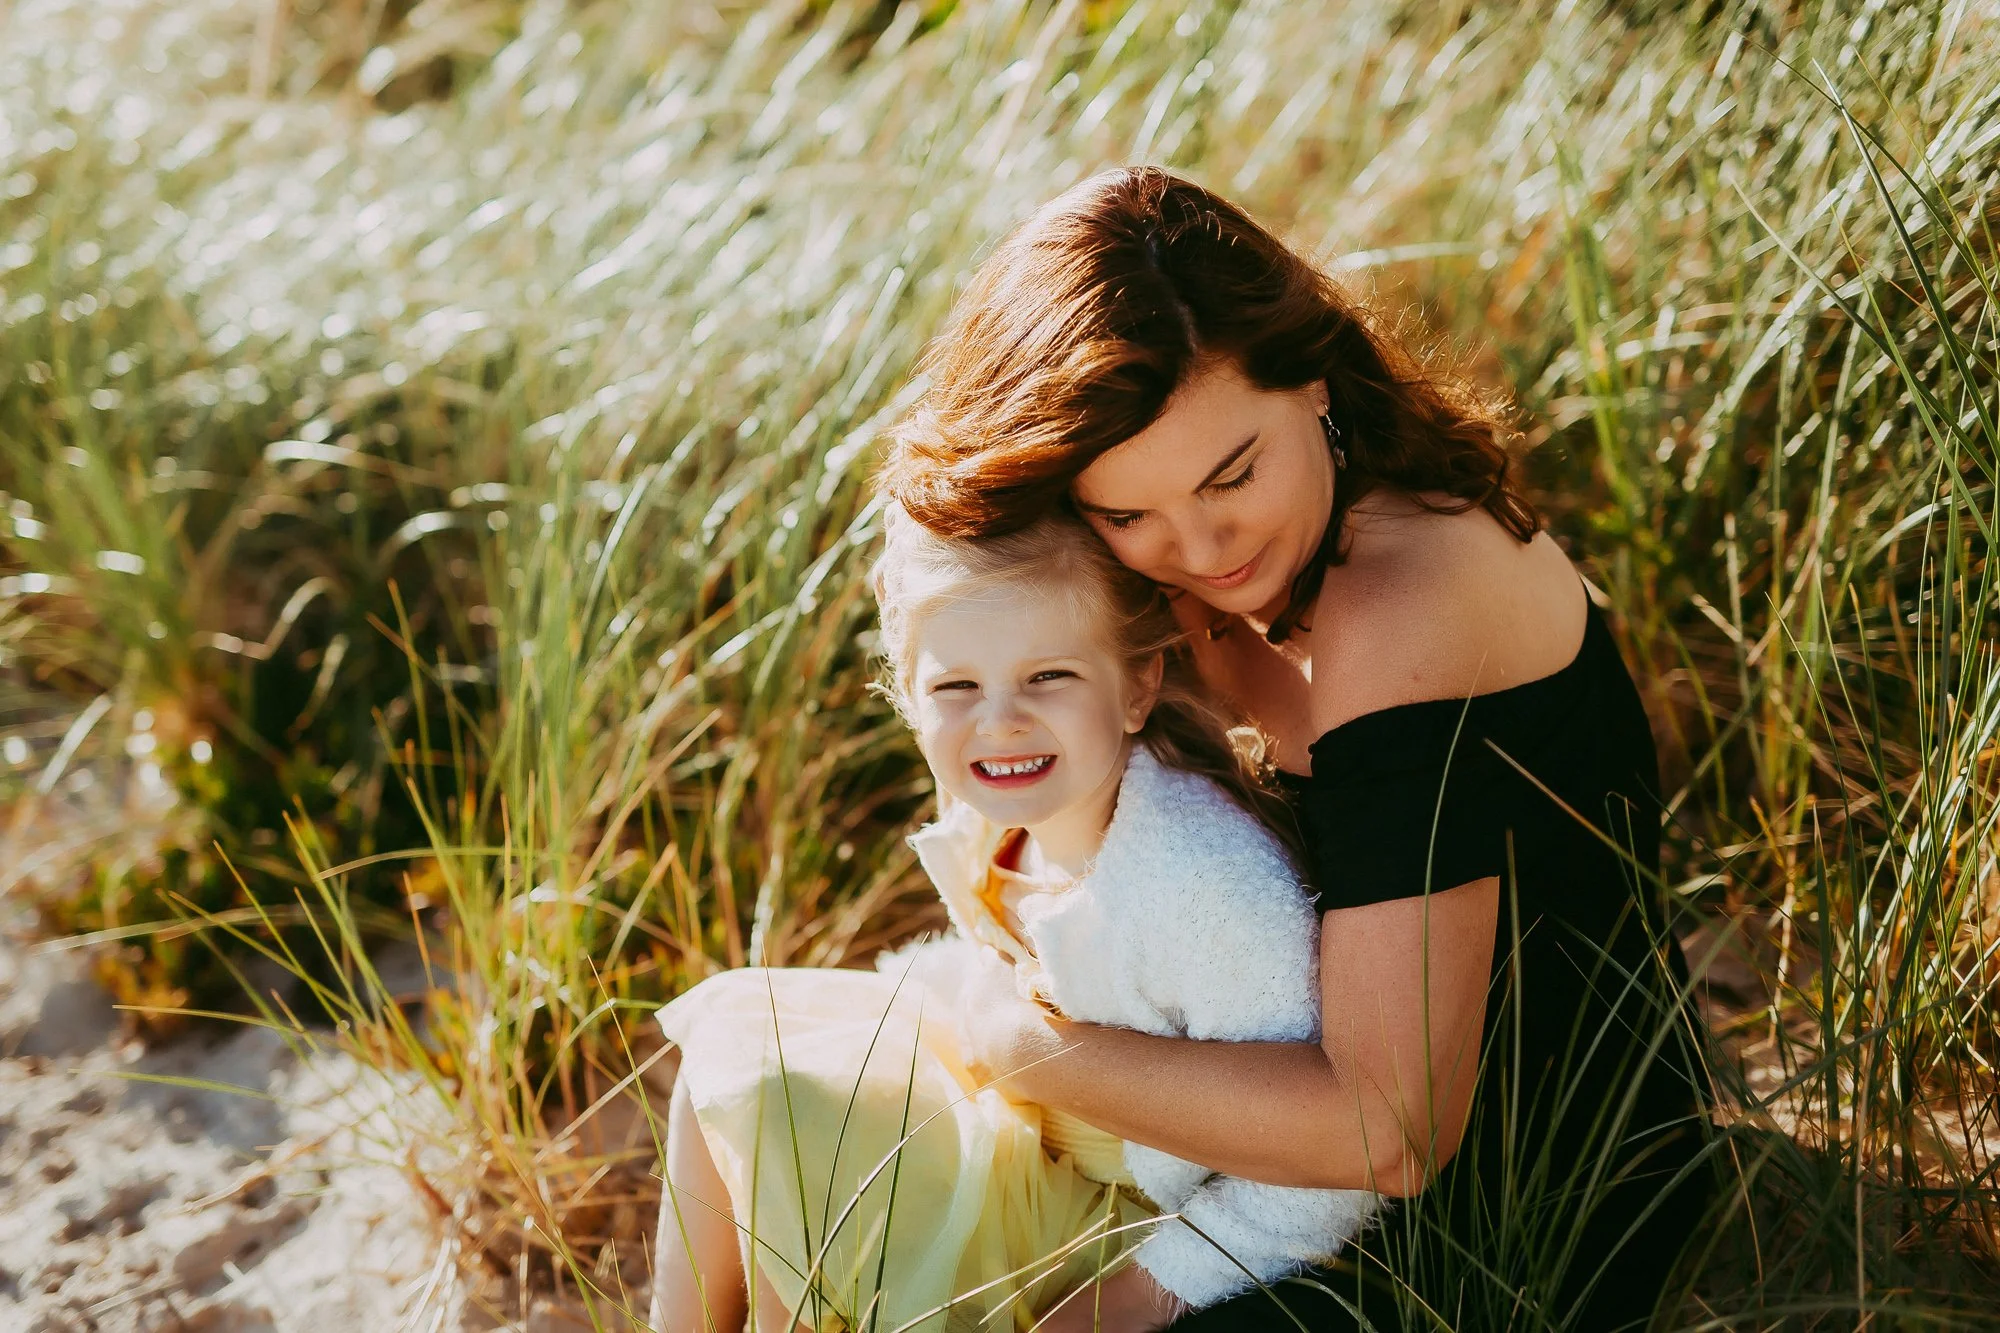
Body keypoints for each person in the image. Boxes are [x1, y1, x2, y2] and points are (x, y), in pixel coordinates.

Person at [876, 165, 1717, 1331]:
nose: (1200, 544)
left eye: (1233, 473)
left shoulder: (1404, 601)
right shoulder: (1217, 570)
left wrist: (1019, 1044)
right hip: (1249, 1161)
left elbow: (1388, 1132)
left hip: (1517, 1212)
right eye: (1127, 513)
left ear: (1314, 377)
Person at [648, 508, 1380, 1333]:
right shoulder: (1004, 816)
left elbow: (1325, 1176)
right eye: (956, 687)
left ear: (1136, 685)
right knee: (749, 1055)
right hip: (1018, 1121)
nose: (999, 720)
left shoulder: (1201, 885)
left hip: (1130, 1215)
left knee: (812, 1148)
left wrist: (1140, 1293)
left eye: (1049, 678)